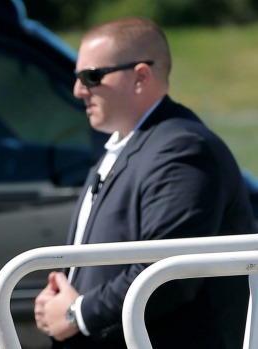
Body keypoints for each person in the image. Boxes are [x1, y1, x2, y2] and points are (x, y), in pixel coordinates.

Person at [34, 16, 256, 349]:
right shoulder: (130, 145)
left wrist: (76, 314)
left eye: (91, 76)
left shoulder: (183, 149)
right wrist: (59, 297)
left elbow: (166, 273)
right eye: (78, 77)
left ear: (140, 77)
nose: (79, 89)